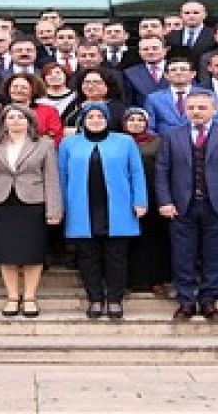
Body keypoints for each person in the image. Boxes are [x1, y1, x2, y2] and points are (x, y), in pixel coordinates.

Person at [157, 91, 218, 320]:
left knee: (215, 255)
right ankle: (186, 301)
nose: (196, 112)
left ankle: (209, 300)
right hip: (182, 205)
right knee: (182, 255)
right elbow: (162, 171)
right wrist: (165, 201)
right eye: (191, 108)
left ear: (214, 110)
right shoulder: (172, 136)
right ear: (184, 110)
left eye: (201, 107)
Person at [58, 101, 147, 319]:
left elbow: (136, 172)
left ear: (107, 119)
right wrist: (61, 205)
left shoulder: (125, 142)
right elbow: (62, 176)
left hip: (118, 206)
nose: (96, 120)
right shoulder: (69, 144)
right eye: (91, 117)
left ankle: (115, 299)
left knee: (116, 256)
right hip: (82, 206)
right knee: (88, 257)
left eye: (100, 116)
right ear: (83, 121)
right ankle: (95, 298)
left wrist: (140, 201)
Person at [0, 104, 62, 317]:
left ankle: (30, 297)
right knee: (6, 253)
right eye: (11, 117)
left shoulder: (44, 144)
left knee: (33, 252)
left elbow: (51, 178)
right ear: (3, 122)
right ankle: (12, 297)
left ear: (30, 121)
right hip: (0, 203)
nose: (15, 121)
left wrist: (54, 210)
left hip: (33, 203)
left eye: (21, 117)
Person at [121, 107, 170, 295]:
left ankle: (155, 279)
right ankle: (126, 280)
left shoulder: (157, 142)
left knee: (152, 239)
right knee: (126, 241)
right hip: (123, 196)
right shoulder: (117, 141)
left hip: (152, 194)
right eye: (131, 119)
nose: (136, 123)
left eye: (140, 120)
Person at [3, 74, 64, 147]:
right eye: (15, 87)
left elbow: (56, 138)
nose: (18, 90)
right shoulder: (2, 111)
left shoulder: (49, 111)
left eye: (24, 87)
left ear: (33, 90)